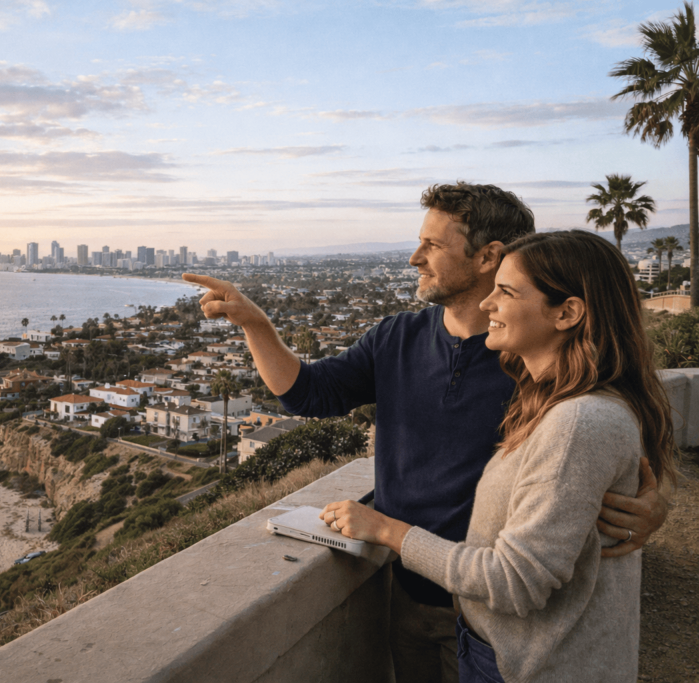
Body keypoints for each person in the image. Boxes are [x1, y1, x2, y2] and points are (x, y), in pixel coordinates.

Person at [182, 182, 668, 683]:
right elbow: (308, 394)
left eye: (433, 245)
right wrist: (256, 325)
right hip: (410, 590)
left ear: (489, 256)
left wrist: (651, 506)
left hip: (502, 607)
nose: (415, 257)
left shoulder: (538, 360)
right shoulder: (397, 337)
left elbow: (613, 449)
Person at [320, 230, 677, 682]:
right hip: (509, 648)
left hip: (536, 663)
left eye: (504, 292)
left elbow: (515, 580)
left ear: (567, 312)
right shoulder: (550, 399)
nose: (488, 303)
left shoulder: (577, 422)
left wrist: (387, 530)